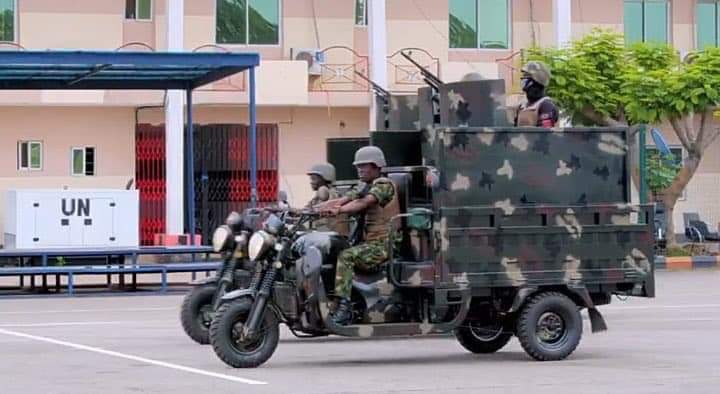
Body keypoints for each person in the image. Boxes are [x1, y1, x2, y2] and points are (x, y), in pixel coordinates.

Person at [318, 146, 399, 325]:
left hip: (384, 245)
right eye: (358, 166)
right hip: (370, 243)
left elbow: (363, 203)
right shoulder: (366, 186)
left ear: (377, 166)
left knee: (346, 257)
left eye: (365, 166)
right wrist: (309, 210)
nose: (360, 169)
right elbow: (344, 199)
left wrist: (338, 211)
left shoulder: (384, 185)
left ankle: (344, 308)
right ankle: (331, 300)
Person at [514, 61, 559, 128]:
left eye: (527, 76)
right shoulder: (522, 106)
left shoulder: (546, 105)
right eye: (524, 76)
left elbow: (544, 135)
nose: (523, 79)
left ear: (537, 80)